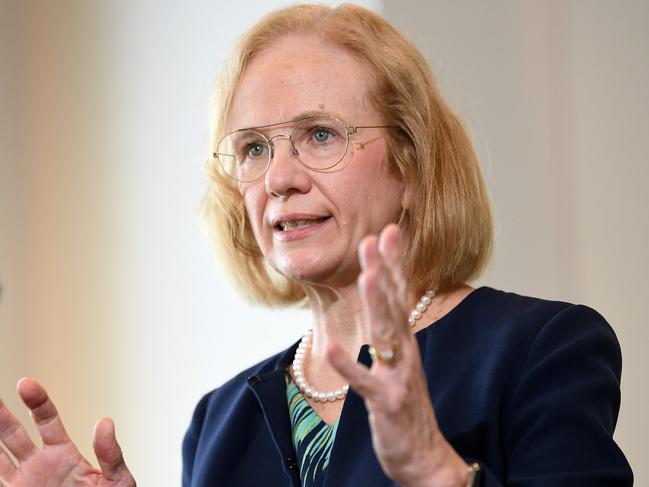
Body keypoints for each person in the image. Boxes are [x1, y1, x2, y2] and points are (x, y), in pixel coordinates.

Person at [0, 4, 633, 487]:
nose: (279, 178)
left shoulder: (542, 349)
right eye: (253, 147)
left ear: (411, 166)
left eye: (321, 135)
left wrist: (436, 472)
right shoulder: (220, 421)